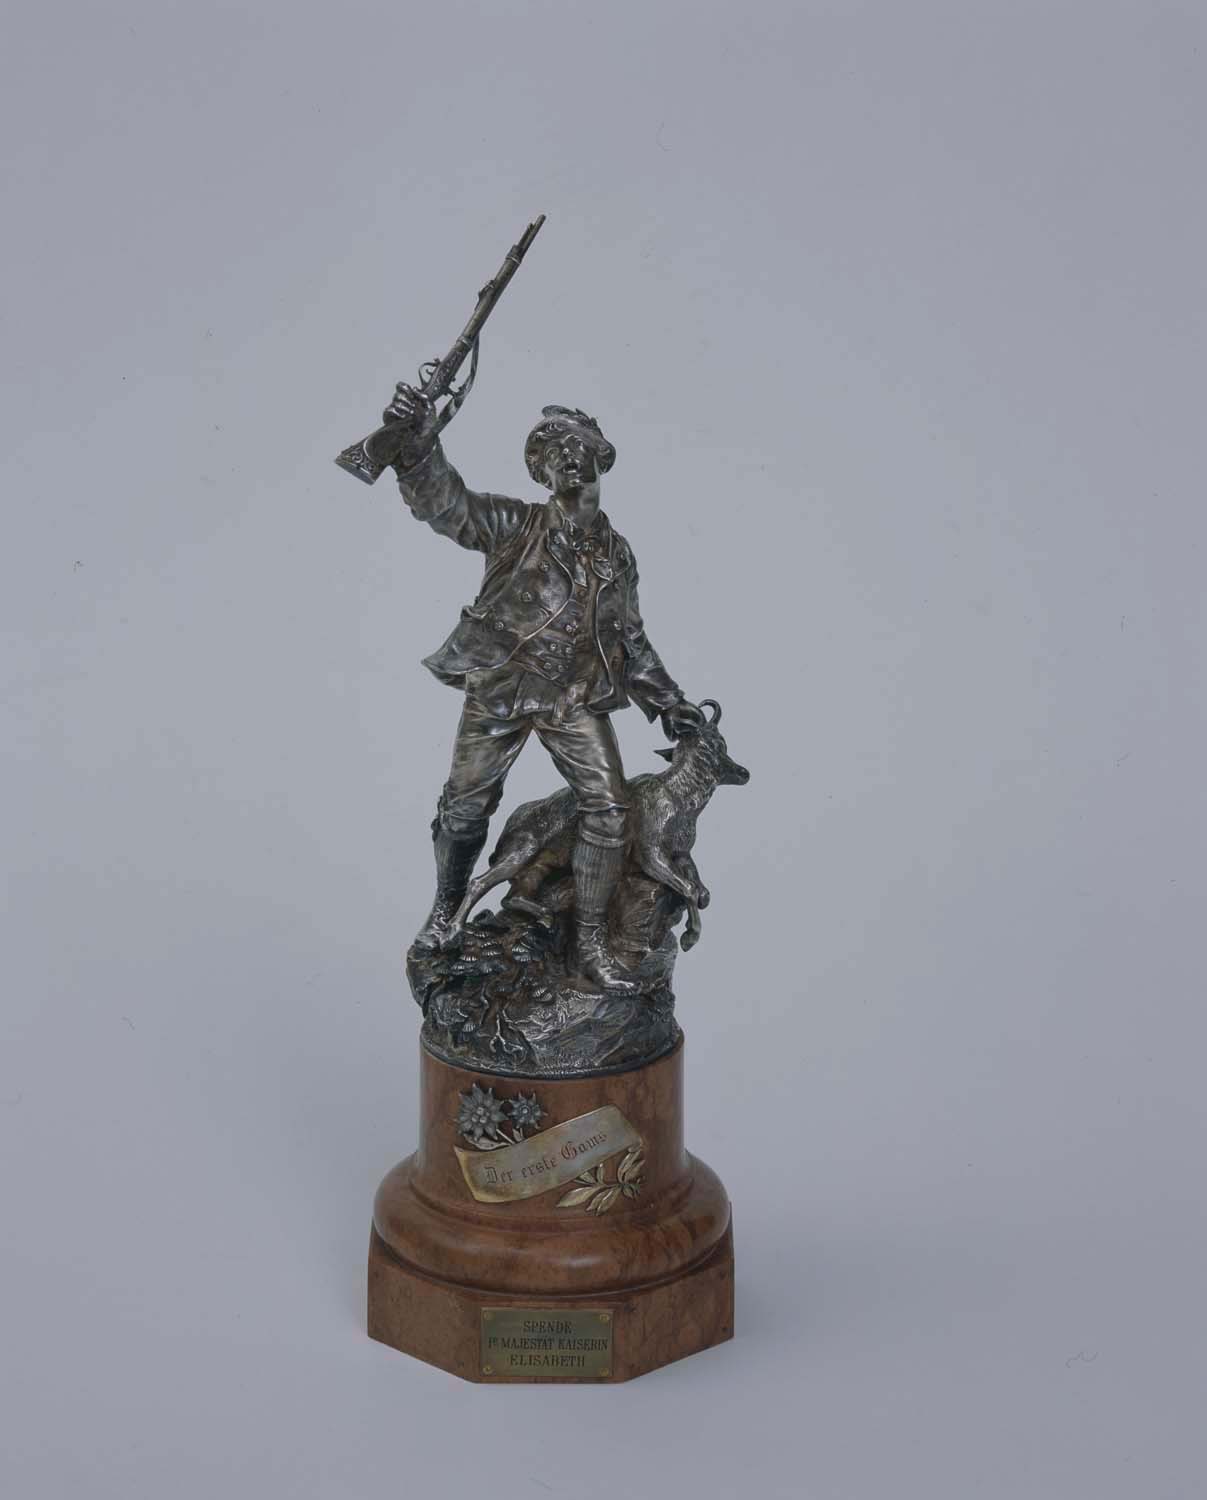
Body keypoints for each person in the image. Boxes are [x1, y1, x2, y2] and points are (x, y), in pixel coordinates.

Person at [385, 385, 702, 992]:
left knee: (610, 809)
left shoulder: (617, 555)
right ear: (541, 473)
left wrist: (671, 703)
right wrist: (418, 446)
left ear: (600, 457)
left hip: (572, 697)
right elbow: (450, 507)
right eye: (551, 452)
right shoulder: (516, 524)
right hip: (500, 687)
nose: (565, 457)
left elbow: (631, 639)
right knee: (464, 807)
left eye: (576, 446)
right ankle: (446, 910)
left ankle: (590, 941)